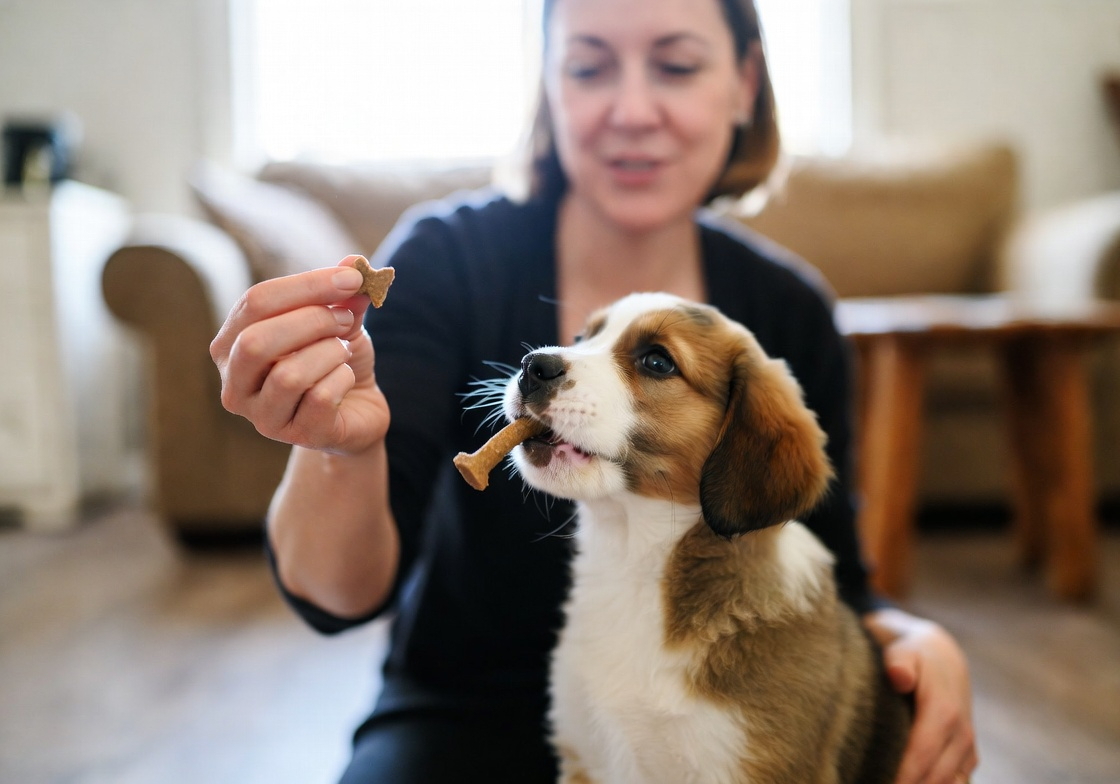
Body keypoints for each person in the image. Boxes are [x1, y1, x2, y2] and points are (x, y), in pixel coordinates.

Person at [210, 0, 978, 781]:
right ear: (549, 84)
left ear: (745, 83)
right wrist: (336, 444)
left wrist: (914, 639)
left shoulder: (787, 312)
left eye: (676, 65)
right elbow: (336, 598)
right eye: (588, 66)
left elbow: (829, 573)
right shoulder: (447, 259)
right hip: (463, 714)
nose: (632, 111)